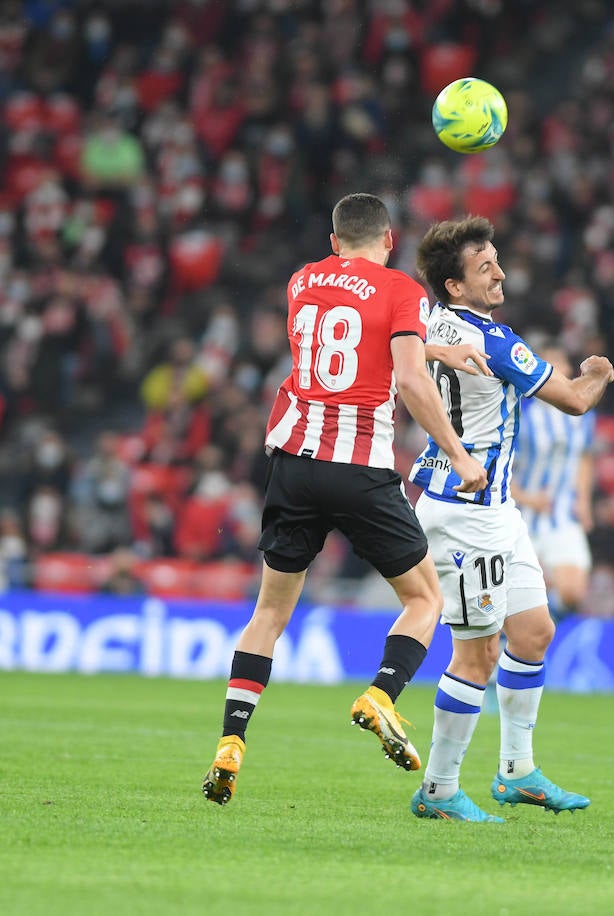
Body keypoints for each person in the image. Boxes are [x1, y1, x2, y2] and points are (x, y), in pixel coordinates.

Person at [203, 193, 490, 806]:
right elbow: (404, 375)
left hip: (293, 467)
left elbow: (353, 342)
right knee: (424, 598)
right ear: (390, 242)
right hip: (359, 466)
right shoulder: (402, 291)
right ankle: (381, 693)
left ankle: (231, 741)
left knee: (269, 616)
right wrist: (460, 455)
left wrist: (435, 348)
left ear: (334, 242)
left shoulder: (302, 281)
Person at [407, 216, 614, 822]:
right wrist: (597, 375)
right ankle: (439, 789)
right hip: (465, 513)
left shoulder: (423, 323)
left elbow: (395, 351)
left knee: (535, 632)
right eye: (482, 266)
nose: (498, 270)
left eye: (496, 258)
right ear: (454, 285)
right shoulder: (497, 343)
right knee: (477, 655)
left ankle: (517, 770)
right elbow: (574, 401)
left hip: (497, 509)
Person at [512, 343, 597, 616]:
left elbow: (584, 457)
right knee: (522, 594)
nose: (561, 372)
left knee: (573, 593)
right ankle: (518, 643)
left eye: (563, 365)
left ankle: (542, 634)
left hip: (563, 514)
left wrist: (583, 500)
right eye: (553, 365)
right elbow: (498, 466)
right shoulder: (521, 415)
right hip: (523, 514)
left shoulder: (583, 415)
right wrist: (526, 498)